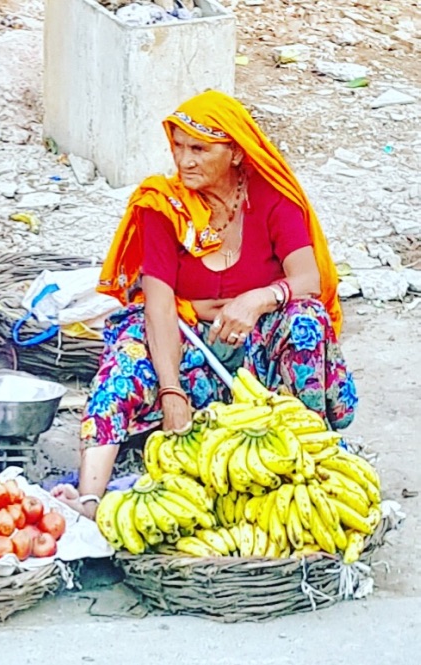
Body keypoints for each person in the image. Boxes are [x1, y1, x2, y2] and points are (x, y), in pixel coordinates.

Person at [52, 90, 357, 518]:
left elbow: (308, 280)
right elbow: (160, 306)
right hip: (187, 345)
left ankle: (305, 457)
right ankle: (89, 498)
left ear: (235, 153)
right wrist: (171, 390)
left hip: (258, 354)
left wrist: (257, 300)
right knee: (128, 347)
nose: (184, 160)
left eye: (199, 149)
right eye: (178, 146)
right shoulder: (163, 206)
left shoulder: (273, 198)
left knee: (306, 319)